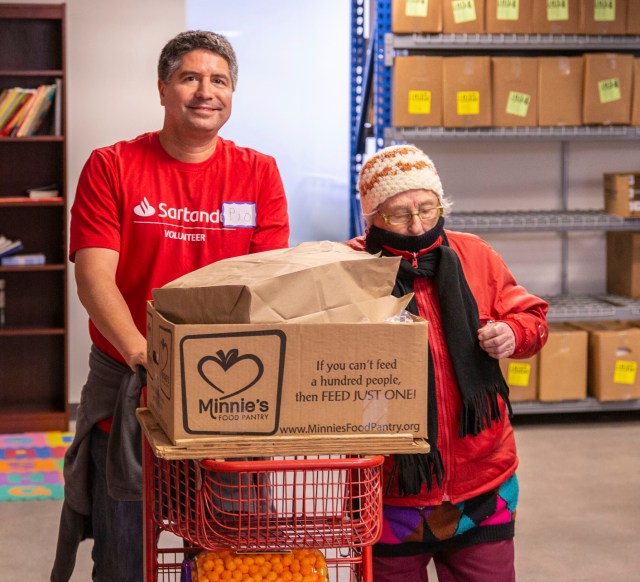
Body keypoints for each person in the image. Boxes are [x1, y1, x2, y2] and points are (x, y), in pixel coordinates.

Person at [51, 30, 289, 582]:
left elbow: (267, 285)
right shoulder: (112, 166)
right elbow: (94, 279)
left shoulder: (258, 172)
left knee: (232, 553)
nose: (206, 91)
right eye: (190, 77)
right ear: (162, 88)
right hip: (131, 382)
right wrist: (145, 354)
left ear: (232, 94)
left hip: (232, 388)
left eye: (220, 81)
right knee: (125, 558)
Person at [347, 145, 548, 582]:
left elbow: (532, 318)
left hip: (481, 484)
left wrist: (514, 333)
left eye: (427, 208)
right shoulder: (348, 269)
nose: (417, 224)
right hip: (387, 492)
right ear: (371, 217)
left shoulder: (474, 254)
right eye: (399, 214)